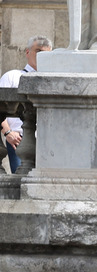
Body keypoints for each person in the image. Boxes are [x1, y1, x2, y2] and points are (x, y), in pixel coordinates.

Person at [1, 35, 49, 171]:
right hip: (19, 140)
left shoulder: (52, 80)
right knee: (21, 184)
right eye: (38, 51)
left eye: (47, 54)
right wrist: (8, 133)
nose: (42, 57)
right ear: (28, 52)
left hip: (47, 142)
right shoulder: (12, 76)